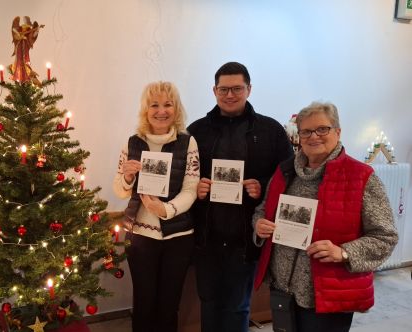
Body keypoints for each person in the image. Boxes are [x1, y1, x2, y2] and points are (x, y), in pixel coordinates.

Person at [253, 102, 398, 331]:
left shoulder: (361, 177)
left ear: (337, 132)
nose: (314, 137)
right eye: (306, 131)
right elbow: (263, 210)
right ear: (299, 135)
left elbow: (385, 237)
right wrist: (259, 225)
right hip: (283, 289)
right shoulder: (285, 171)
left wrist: (344, 252)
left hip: (329, 294)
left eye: (322, 129)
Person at [187, 61, 293, 332]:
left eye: (237, 88)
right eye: (224, 89)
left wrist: (263, 186)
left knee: (238, 306)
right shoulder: (196, 131)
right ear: (214, 90)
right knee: (208, 302)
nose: (230, 95)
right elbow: (182, 175)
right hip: (206, 237)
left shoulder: (270, 130)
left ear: (249, 89)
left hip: (244, 240)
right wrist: (195, 187)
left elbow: (288, 176)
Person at [113, 81, 200, 332]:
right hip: (140, 236)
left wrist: (167, 210)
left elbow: (191, 187)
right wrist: (128, 176)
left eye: (167, 104)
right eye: (154, 105)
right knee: (144, 303)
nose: (161, 111)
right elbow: (119, 189)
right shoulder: (131, 143)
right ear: (145, 109)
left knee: (169, 304)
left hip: (179, 236)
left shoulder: (188, 142)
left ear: (176, 108)